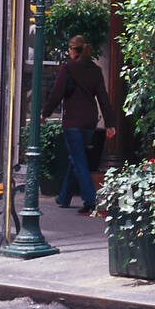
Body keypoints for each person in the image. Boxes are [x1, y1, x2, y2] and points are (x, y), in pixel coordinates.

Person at [42, 35, 116, 214]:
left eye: (69, 49)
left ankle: (90, 201)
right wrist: (110, 123)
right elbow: (103, 98)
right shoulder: (95, 70)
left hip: (73, 121)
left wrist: (45, 113)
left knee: (79, 160)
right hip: (89, 121)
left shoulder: (68, 68)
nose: (68, 52)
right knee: (75, 158)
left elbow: (56, 93)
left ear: (74, 50)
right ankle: (64, 196)